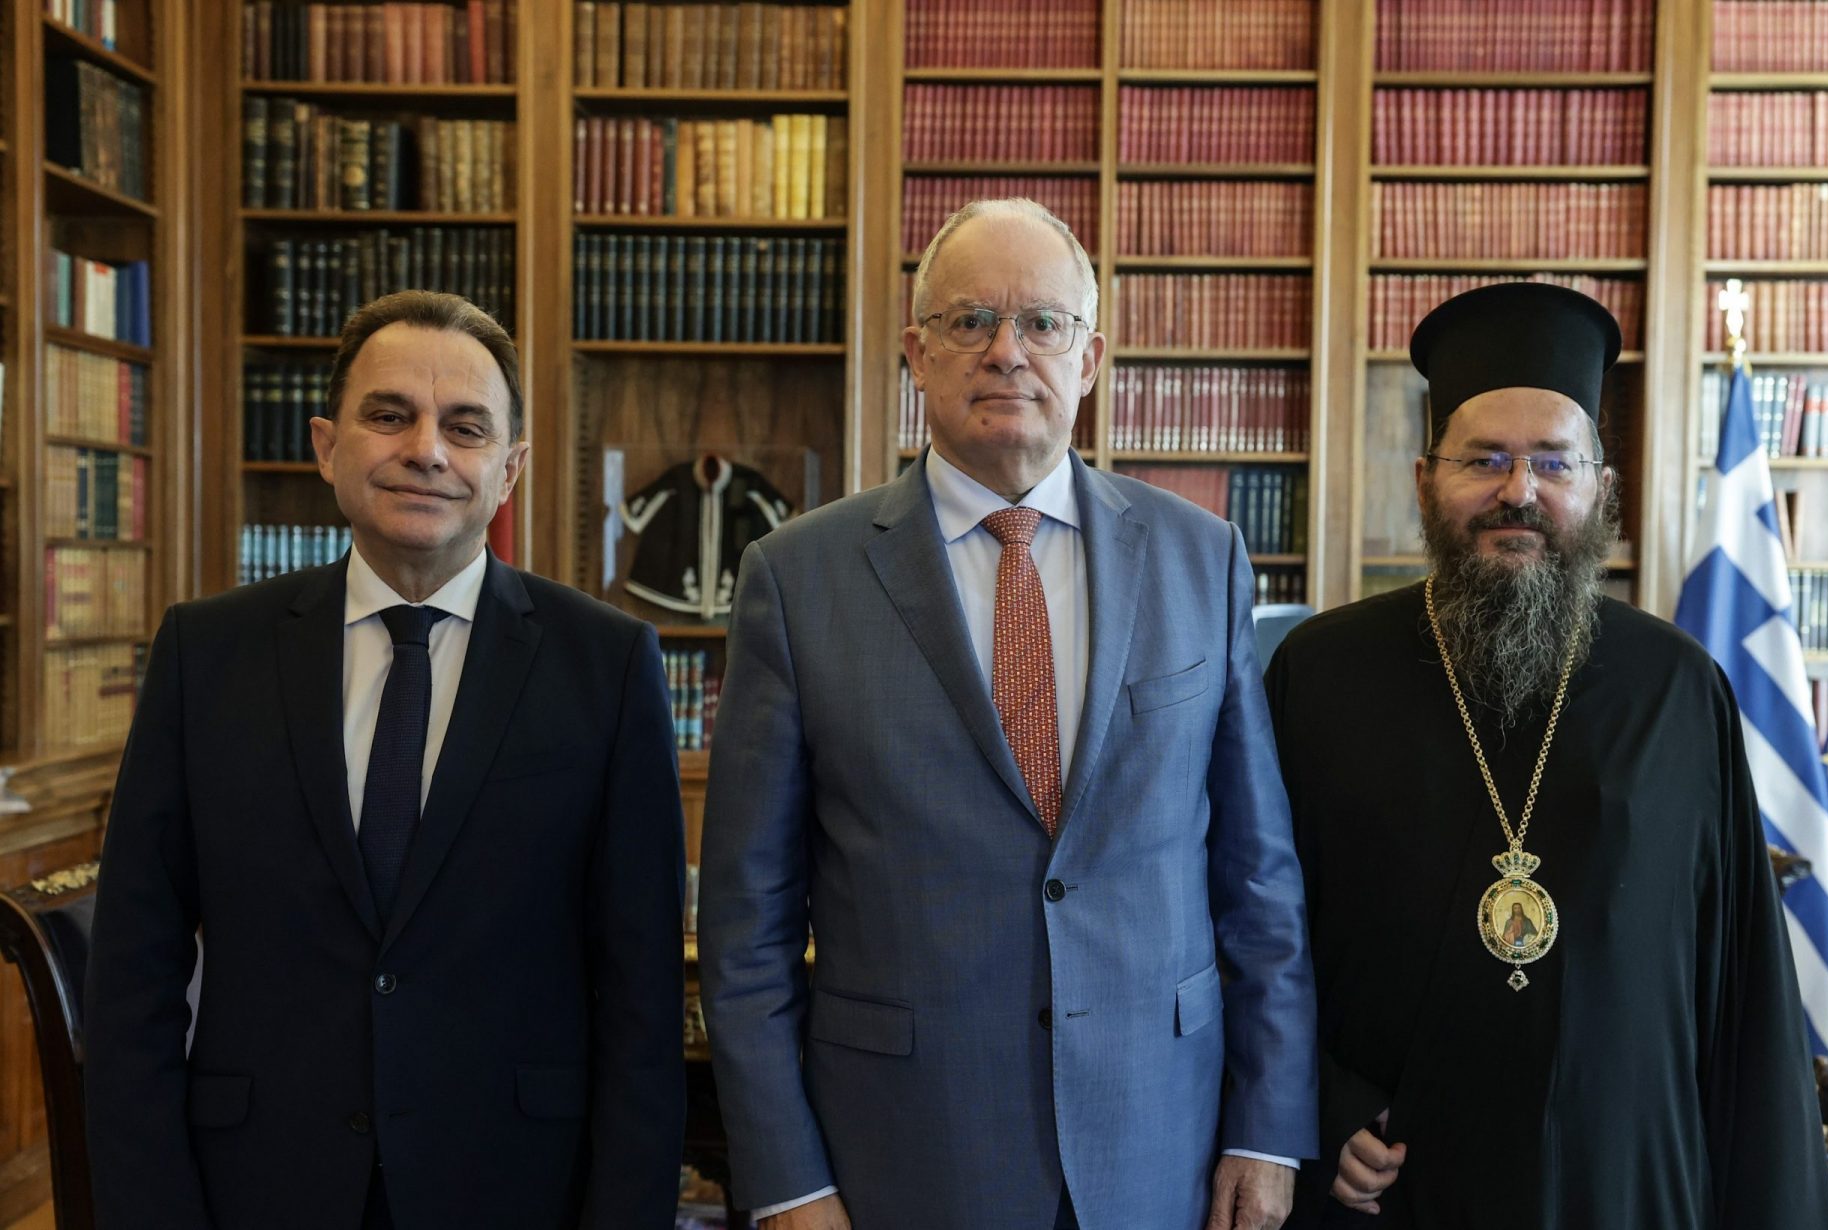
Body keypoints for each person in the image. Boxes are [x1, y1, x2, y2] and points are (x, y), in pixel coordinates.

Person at [697, 199, 1316, 1230]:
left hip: (1160, 1142)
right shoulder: (797, 578)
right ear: (916, 354)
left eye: (1043, 323)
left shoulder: (1201, 558)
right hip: (905, 1153)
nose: (1006, 351)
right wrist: (789, 1182)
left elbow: (1258, 880)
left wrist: (1266, 1129)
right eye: (970, 320)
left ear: (1091, 358)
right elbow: (747, 926)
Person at [84, 291, 689, 1229]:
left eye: (466, 427)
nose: (427, 450)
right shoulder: (206, 654)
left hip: (516, 1186)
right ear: (328, 447)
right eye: (390, 415)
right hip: (256, 1187)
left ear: (510, 469)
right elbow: (133, 971)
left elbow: (642, 996)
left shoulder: (607, 666)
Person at [1264, 282, 1828, 1229]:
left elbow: (1746, 999)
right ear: (1424, 481)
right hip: (1392, 1191)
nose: (1518, 492)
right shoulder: (1319, 673)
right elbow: (1252, 934)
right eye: (1483, 459)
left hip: (1625, 1185)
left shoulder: (1677, 689)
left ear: (1600, 487)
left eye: (1553, 463)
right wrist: (1315, 1107)